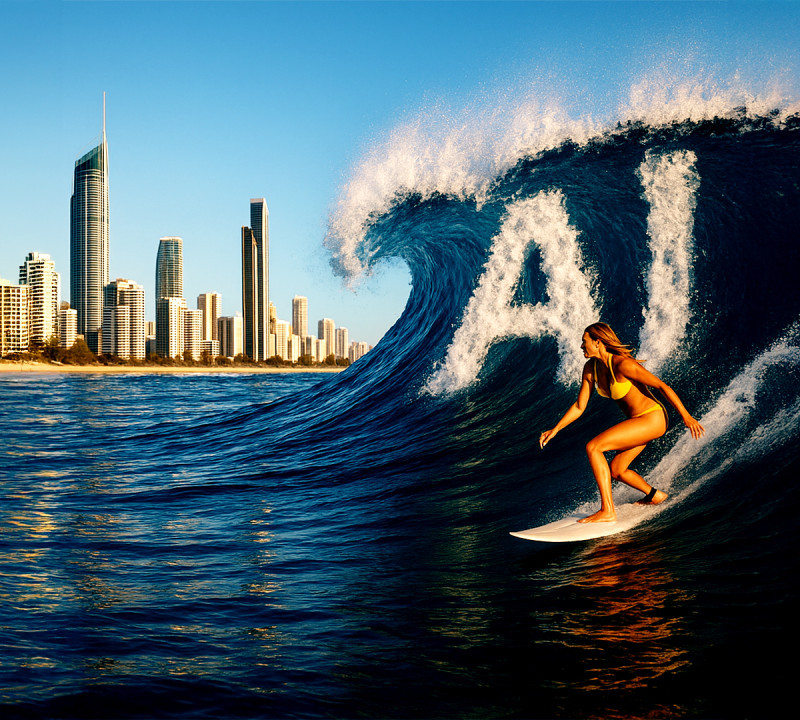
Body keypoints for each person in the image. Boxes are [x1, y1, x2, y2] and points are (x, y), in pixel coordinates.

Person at [539, 322, 705, 523]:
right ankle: (655, 496)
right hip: (637, 421)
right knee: (617, 469)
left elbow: (662, 386)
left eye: (584, 342)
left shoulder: (622, 364)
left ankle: (607, 510)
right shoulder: (590, 368)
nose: (581, 346)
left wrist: (686, 417)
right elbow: (579, 406)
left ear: (598, 342)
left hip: (652, 417)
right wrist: (555, 429)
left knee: (593, 447)